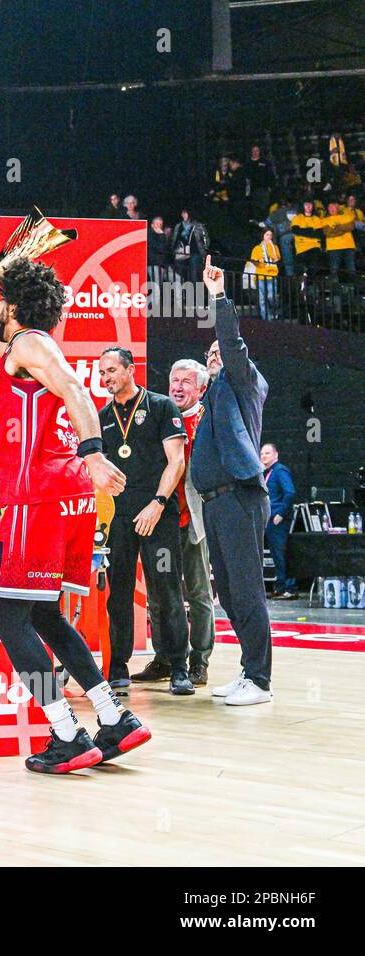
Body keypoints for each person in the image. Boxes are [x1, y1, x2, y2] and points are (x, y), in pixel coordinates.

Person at [0, 259, 149, 774]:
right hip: (65, 497)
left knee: (7, 617)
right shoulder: (23, 349)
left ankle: (66, 732)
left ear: (14, 306)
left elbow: (75, 389)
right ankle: (113, 717)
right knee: (45, 614)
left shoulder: (29, 345)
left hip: (39, 496)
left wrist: (95, 452)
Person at [193, 257, 274, 705]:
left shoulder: (244, 384)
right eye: (209, 355)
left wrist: (218, 296)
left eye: (218, 353)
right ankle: (248, 670)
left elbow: (232, 342)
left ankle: (260, 680)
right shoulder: (213, 397)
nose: (214, 356)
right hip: (215, 503)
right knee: (226, 589)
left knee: (246, 587)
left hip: (240, 497)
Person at [96, 347, 191, 695]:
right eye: (102, 373)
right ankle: (118, 666)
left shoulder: (161, 406)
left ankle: (179, 666)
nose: (106, 378)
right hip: (119, 518)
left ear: (130, 370)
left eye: (111, 371)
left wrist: (158, 503)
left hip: (157, 514)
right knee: (117, 593)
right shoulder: (103, 415)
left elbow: (176, 461)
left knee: (166, 590)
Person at [134, 359, 215, 686]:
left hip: (193, 520)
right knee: (158, 594)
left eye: (186, 381)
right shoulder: (157, 414)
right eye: (174, 379)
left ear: (201, 388)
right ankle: (165, 658)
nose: (178, 386)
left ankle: (199, 660)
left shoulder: (208, 420)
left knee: (197, 594)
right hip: (160, 519)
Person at [261, 443, 297, 600]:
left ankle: (288, 587)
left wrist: (280, 514)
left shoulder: (280, 470)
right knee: (276, 555)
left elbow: (289, 492)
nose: (264, 456)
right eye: (262, 453)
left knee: (281, 553)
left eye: (267, 453)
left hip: (277, 520)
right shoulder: (266, 473)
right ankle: (280, 586)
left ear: (276, 454)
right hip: (268, 519)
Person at [249, 228, 281, 321]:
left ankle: (274, 312)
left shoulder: (274, 247)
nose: (269, 237)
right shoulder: (257, 248)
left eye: (270, 235)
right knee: (262, 299)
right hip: (260, 275)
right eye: (267, 235)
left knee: (271, 296)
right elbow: (253, 261)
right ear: (263, 235)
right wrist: (258, 261)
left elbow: (276, 259)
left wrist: (271, 247)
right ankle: (267, 319)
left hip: (272, 274)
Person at [171, 209, 208, 285]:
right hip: (182, 251)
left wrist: (203, 248)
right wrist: (174, 249)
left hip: (195, 251)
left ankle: (195, 293)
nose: (184, 215)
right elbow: (175, 238)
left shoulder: (197, 225)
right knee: (179, 273)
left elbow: (205, 238)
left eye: (186, 213)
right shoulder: (179, 226)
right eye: (183, 213)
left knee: (194, 274)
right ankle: (182, 291)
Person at [322, 198, 357, 277]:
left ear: (337, 207)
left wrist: (335, 228)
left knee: (352, 271)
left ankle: (355, 289)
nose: (332, 209)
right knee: (334, 272)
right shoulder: (325, 219)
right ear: (327, 209)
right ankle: (335, 289)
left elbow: (351, 226)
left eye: (333, 207)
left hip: (348, 246)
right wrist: (343, 228)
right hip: (333, 248)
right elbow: (327, 232)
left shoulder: (346, 216)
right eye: (330, 207)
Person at [289, 200, 325, 275]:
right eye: (306, 204)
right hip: (301, 249)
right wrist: (311, 230)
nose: (308, 206)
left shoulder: (316, 219)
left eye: (310, 204)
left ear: (313, 206)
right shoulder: (297, 218)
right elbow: (296, 230)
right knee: (301, 273)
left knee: (313, 271)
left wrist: (304, 231)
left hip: (314, 247)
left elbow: (319, 234)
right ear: (303, 206)